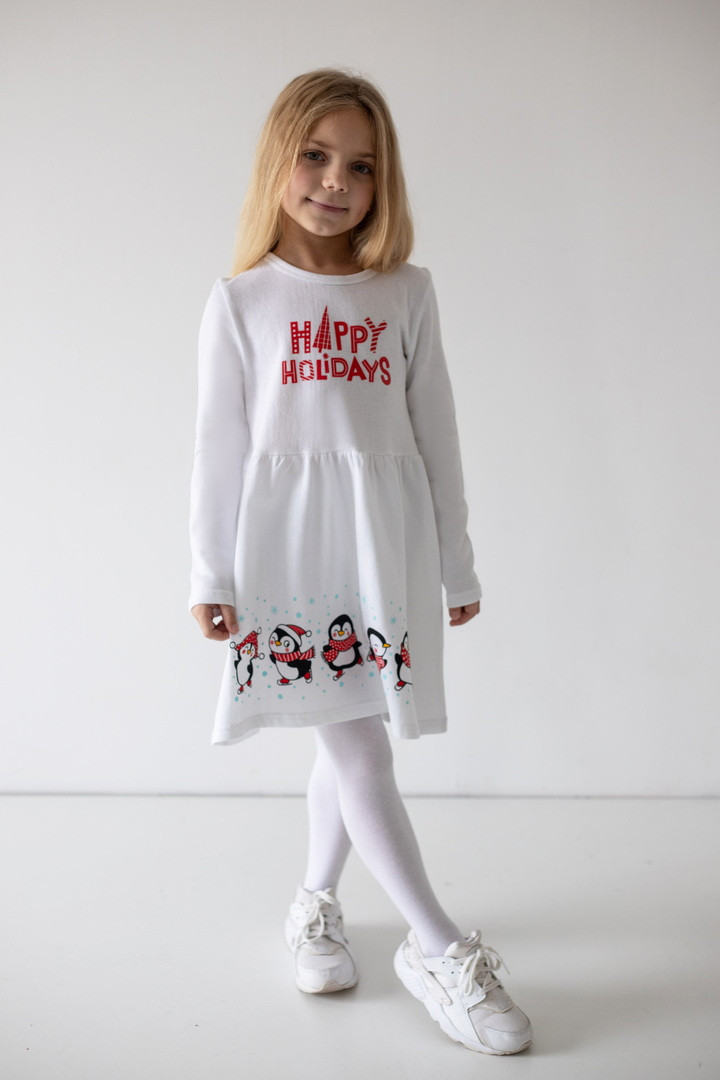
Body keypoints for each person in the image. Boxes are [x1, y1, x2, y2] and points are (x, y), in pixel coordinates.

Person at [188, 67, 532, 1057]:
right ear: (278, 160)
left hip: (386, 549)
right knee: (359, 746)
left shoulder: (406, 293)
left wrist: (457, 567)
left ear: (385, 181)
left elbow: (438, 436)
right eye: (316, 156)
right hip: (288, 557)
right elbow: (218, 449)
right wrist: (210, 574)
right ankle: (438, 946)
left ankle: (314, 904)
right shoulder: (241, 302)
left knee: (345, 736)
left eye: (362, 165)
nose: (337, 181)